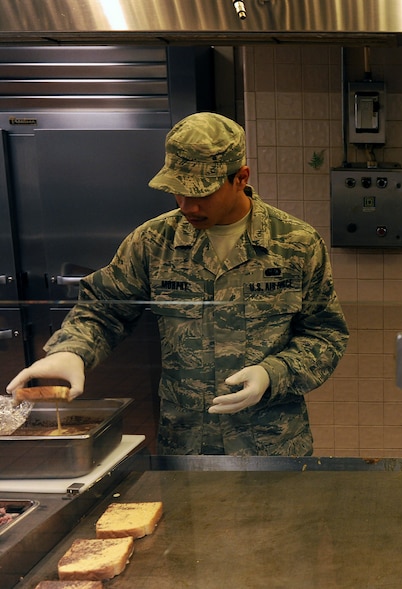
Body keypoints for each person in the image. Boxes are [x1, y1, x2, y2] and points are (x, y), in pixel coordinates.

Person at [6, 112, 349, 456]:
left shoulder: (295, 243)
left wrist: (272, 373)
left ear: (240, 178)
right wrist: (72, 350)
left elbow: (325, 335)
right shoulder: (154, 241)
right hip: (186, 443)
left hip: (272, 442)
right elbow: (105, 310)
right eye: (178, 192)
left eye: (202, 193)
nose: (188, 206)